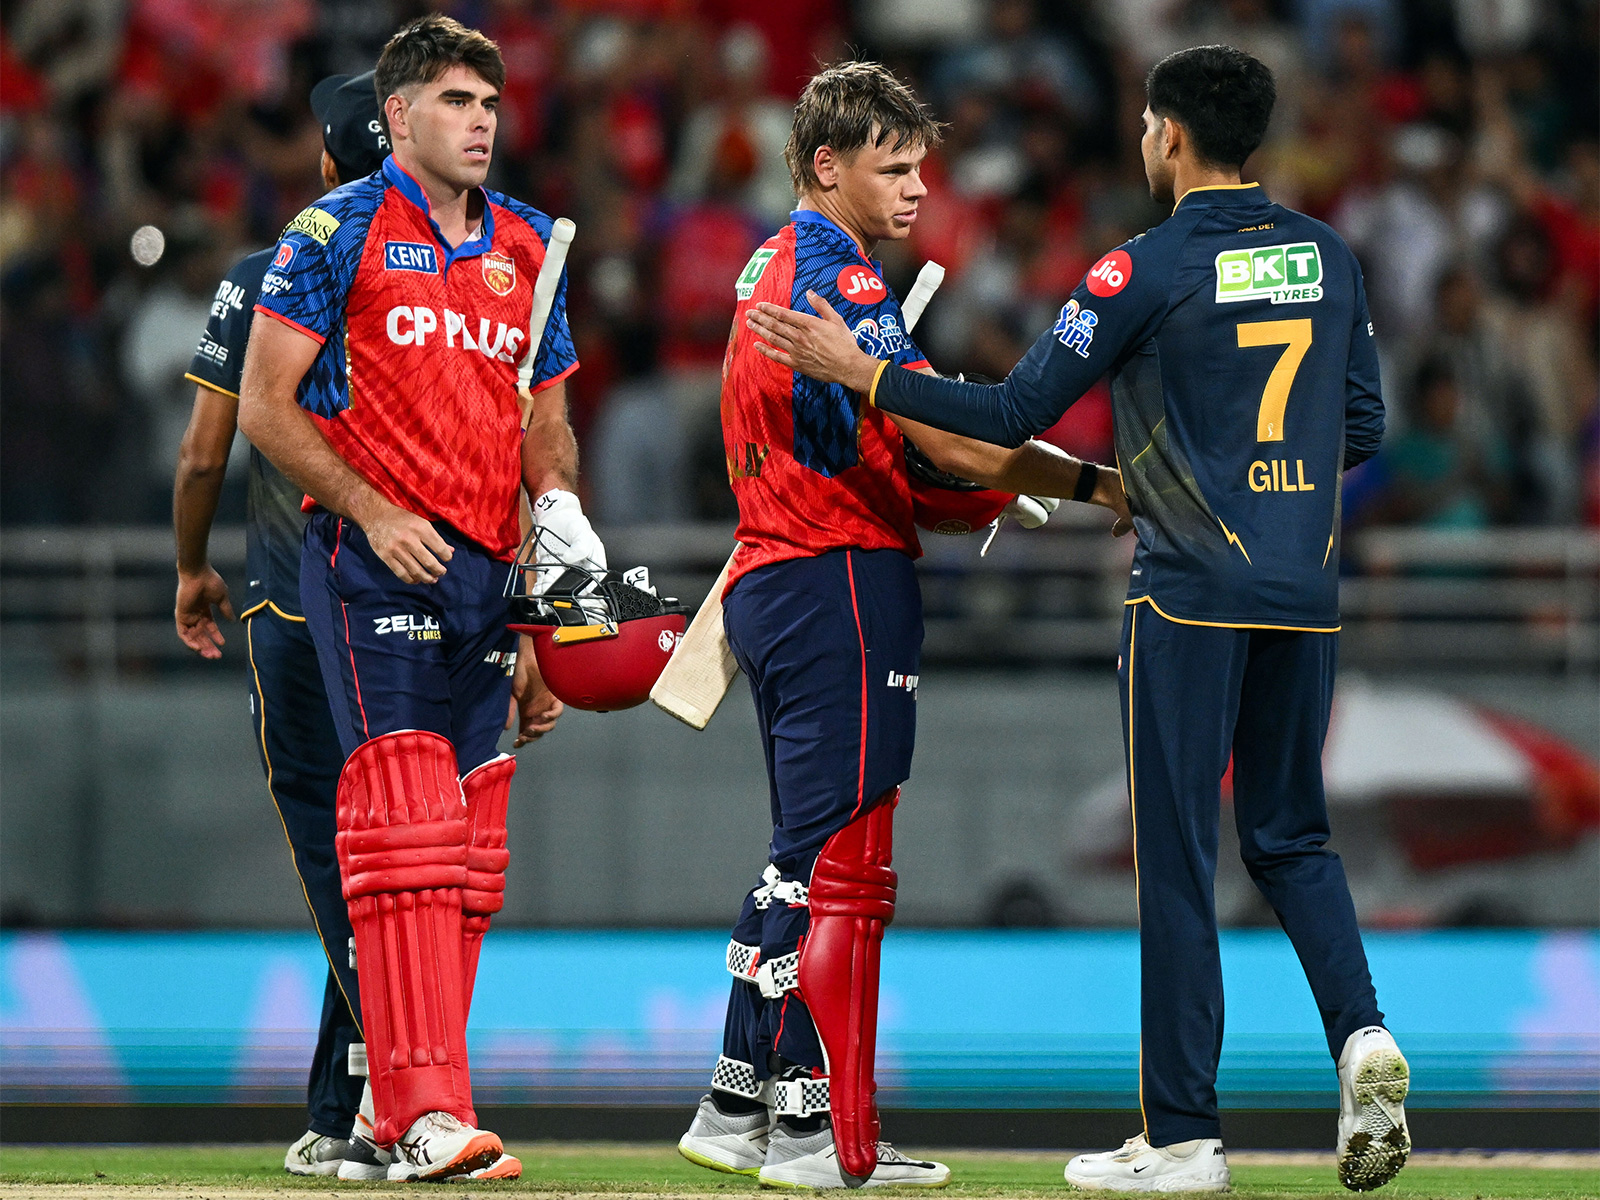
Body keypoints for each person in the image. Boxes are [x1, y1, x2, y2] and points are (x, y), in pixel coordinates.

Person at [745, 44, 1411, 1196]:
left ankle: (1184, 1138)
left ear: (1164, 133)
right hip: (1304, 594)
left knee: (1180, 861)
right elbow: (1359, 430)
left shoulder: (1137, 270)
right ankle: (1361, 1036)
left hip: (1190, 594)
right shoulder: (1330, 255)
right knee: (1293, 837)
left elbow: (1007, 410)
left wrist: (869, 376)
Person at [674, 60, 1129, 1191]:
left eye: (920, 164)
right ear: (826, 167)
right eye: (893, 167)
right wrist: (1086, 484)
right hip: (837, 582)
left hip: (782, 574)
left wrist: (979, 486)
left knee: (801, 858)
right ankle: (820, 1134)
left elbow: (901, 462)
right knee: (837, 872)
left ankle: (747, 1105)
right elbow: (958, 443)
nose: (919, 188)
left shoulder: (772, 264)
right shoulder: (837, 279)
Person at [237, 15, 591, 1183]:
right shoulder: (329, 231)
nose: (481, 119)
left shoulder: (533, 244)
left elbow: (544, 424)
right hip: (370, 567)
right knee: (402, 833)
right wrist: (375, 510)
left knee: (469, 855)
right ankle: (423, 1110)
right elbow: (265, 408)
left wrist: (556, 587)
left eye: (488, 100)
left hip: (492, 585)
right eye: (453, 99)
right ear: (395, 118)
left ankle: (412, 1115)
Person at [172, 69, 390, 1179]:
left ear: (324, 164)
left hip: (289, 602)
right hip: (412, 599)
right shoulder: (441, 282)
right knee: (393, 855)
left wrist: (188, 569)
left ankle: (382, 1099)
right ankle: (340, 1097)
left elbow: (207, 451)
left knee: (335, 856)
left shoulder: (268, 273)